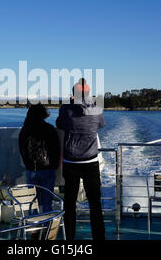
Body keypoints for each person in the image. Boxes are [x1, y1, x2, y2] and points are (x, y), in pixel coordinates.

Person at [56, 78, 105, 240]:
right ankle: (99, 238)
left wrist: (69, 105)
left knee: (70, 204)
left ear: (73, 94)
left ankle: (69, 240)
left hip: (71, 163)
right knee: (95, 204)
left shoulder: (66, 109)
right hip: (91, 162)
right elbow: (100, 124)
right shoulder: (97, 108)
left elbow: (59, 124)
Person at [18, 103, 61, 213]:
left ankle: (34, 228)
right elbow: (56, 149)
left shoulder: (24, 130)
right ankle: (47, 227)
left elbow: (22, 148)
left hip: (31, 169)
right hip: (47, 169)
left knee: (33, 202)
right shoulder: (49, 129)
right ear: (43, 114)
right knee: (47, 201)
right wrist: (54, 165)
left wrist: (28, 164)